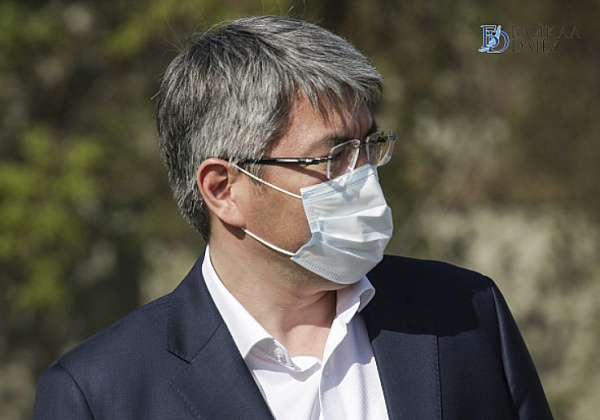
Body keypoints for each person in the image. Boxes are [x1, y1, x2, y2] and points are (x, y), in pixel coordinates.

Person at [33, 15, 553, 419]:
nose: (364, 176)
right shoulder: (101, 394)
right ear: (223, 190)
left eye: (368, 145)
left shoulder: (465, 312)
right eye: (333, 157)